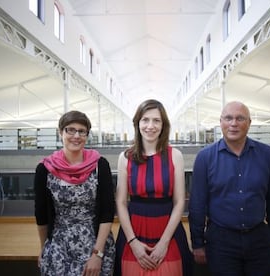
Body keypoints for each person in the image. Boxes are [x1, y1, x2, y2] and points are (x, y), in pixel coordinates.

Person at [188, 101, 270, 276]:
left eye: (240, 118)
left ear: (249, 123)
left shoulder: (267, 154)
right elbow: (197, 205)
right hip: (220, 241)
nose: (234, 123)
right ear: (220, 122)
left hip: (259, 239)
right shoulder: (205, 157)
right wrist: (197, 243)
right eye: (228, 118)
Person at [114, 99, 193, 275]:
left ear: (163, 125)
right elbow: (120, 202)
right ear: (137, 123)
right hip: (134, 231)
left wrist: (164, 242)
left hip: (168, 231)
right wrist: (133, 242)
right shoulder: (125, 157)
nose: (150, 126)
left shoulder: (175, 156)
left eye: (156, 120)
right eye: (145, 120)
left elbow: (180, 201)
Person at [34, 110, 116, 276]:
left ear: (87, 135)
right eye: (70, 130)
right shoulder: (45, 169)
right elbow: (41, 214)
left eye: (81, 131)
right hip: (59, 246)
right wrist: (44, 247)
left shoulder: (100, 165)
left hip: (95, 244)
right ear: (61, 132)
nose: (76, 136)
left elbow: (107, 213)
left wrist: (97, 254)